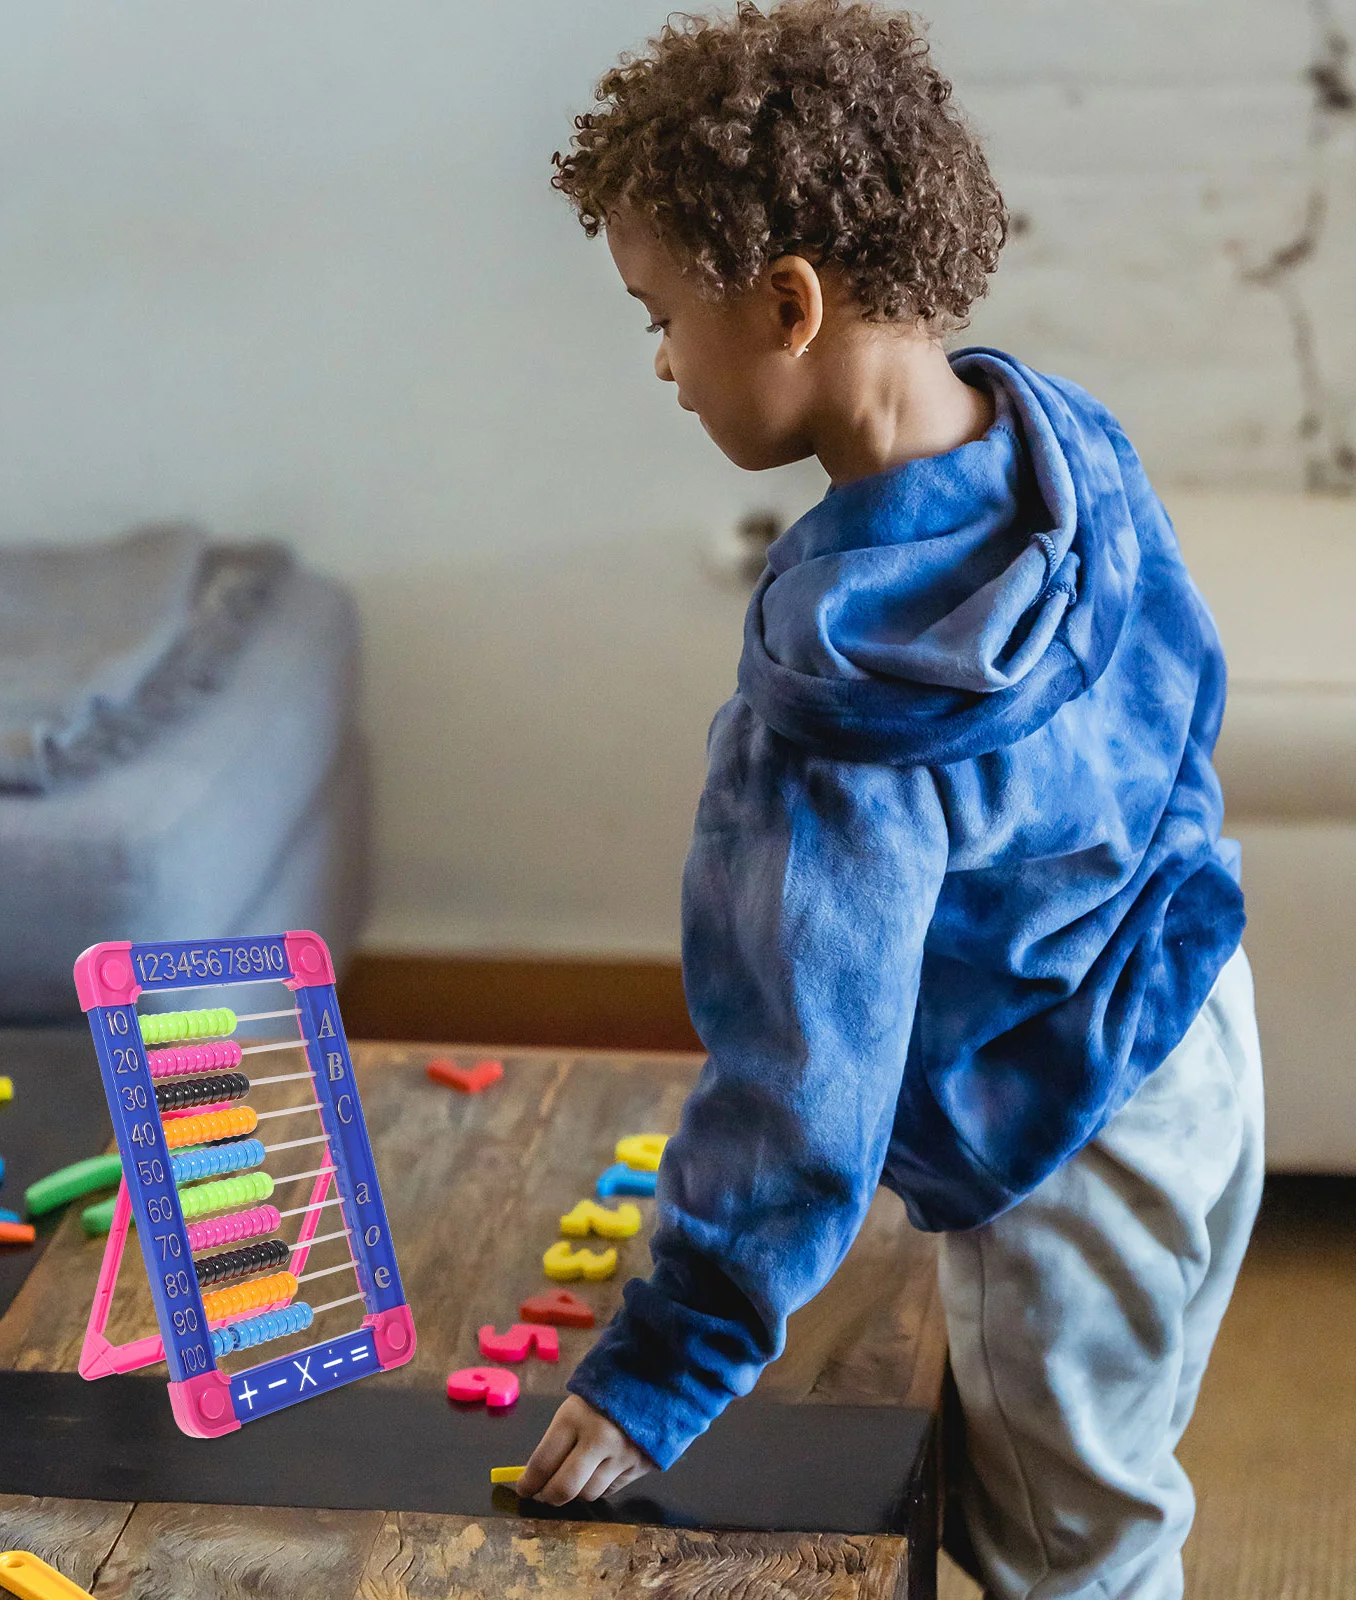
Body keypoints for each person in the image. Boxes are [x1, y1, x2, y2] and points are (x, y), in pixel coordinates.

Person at [516, 5, 1264, 1596]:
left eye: (660, 316)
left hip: (1052, 1150)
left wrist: (662, 1368)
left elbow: (803, 1089)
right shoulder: (1071, 448)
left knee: (1074, 1548)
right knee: (1128, 1455)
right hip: (1205, 1033)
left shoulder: (833, 709)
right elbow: (1188, 708)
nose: (660, 362)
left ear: (787, 304)